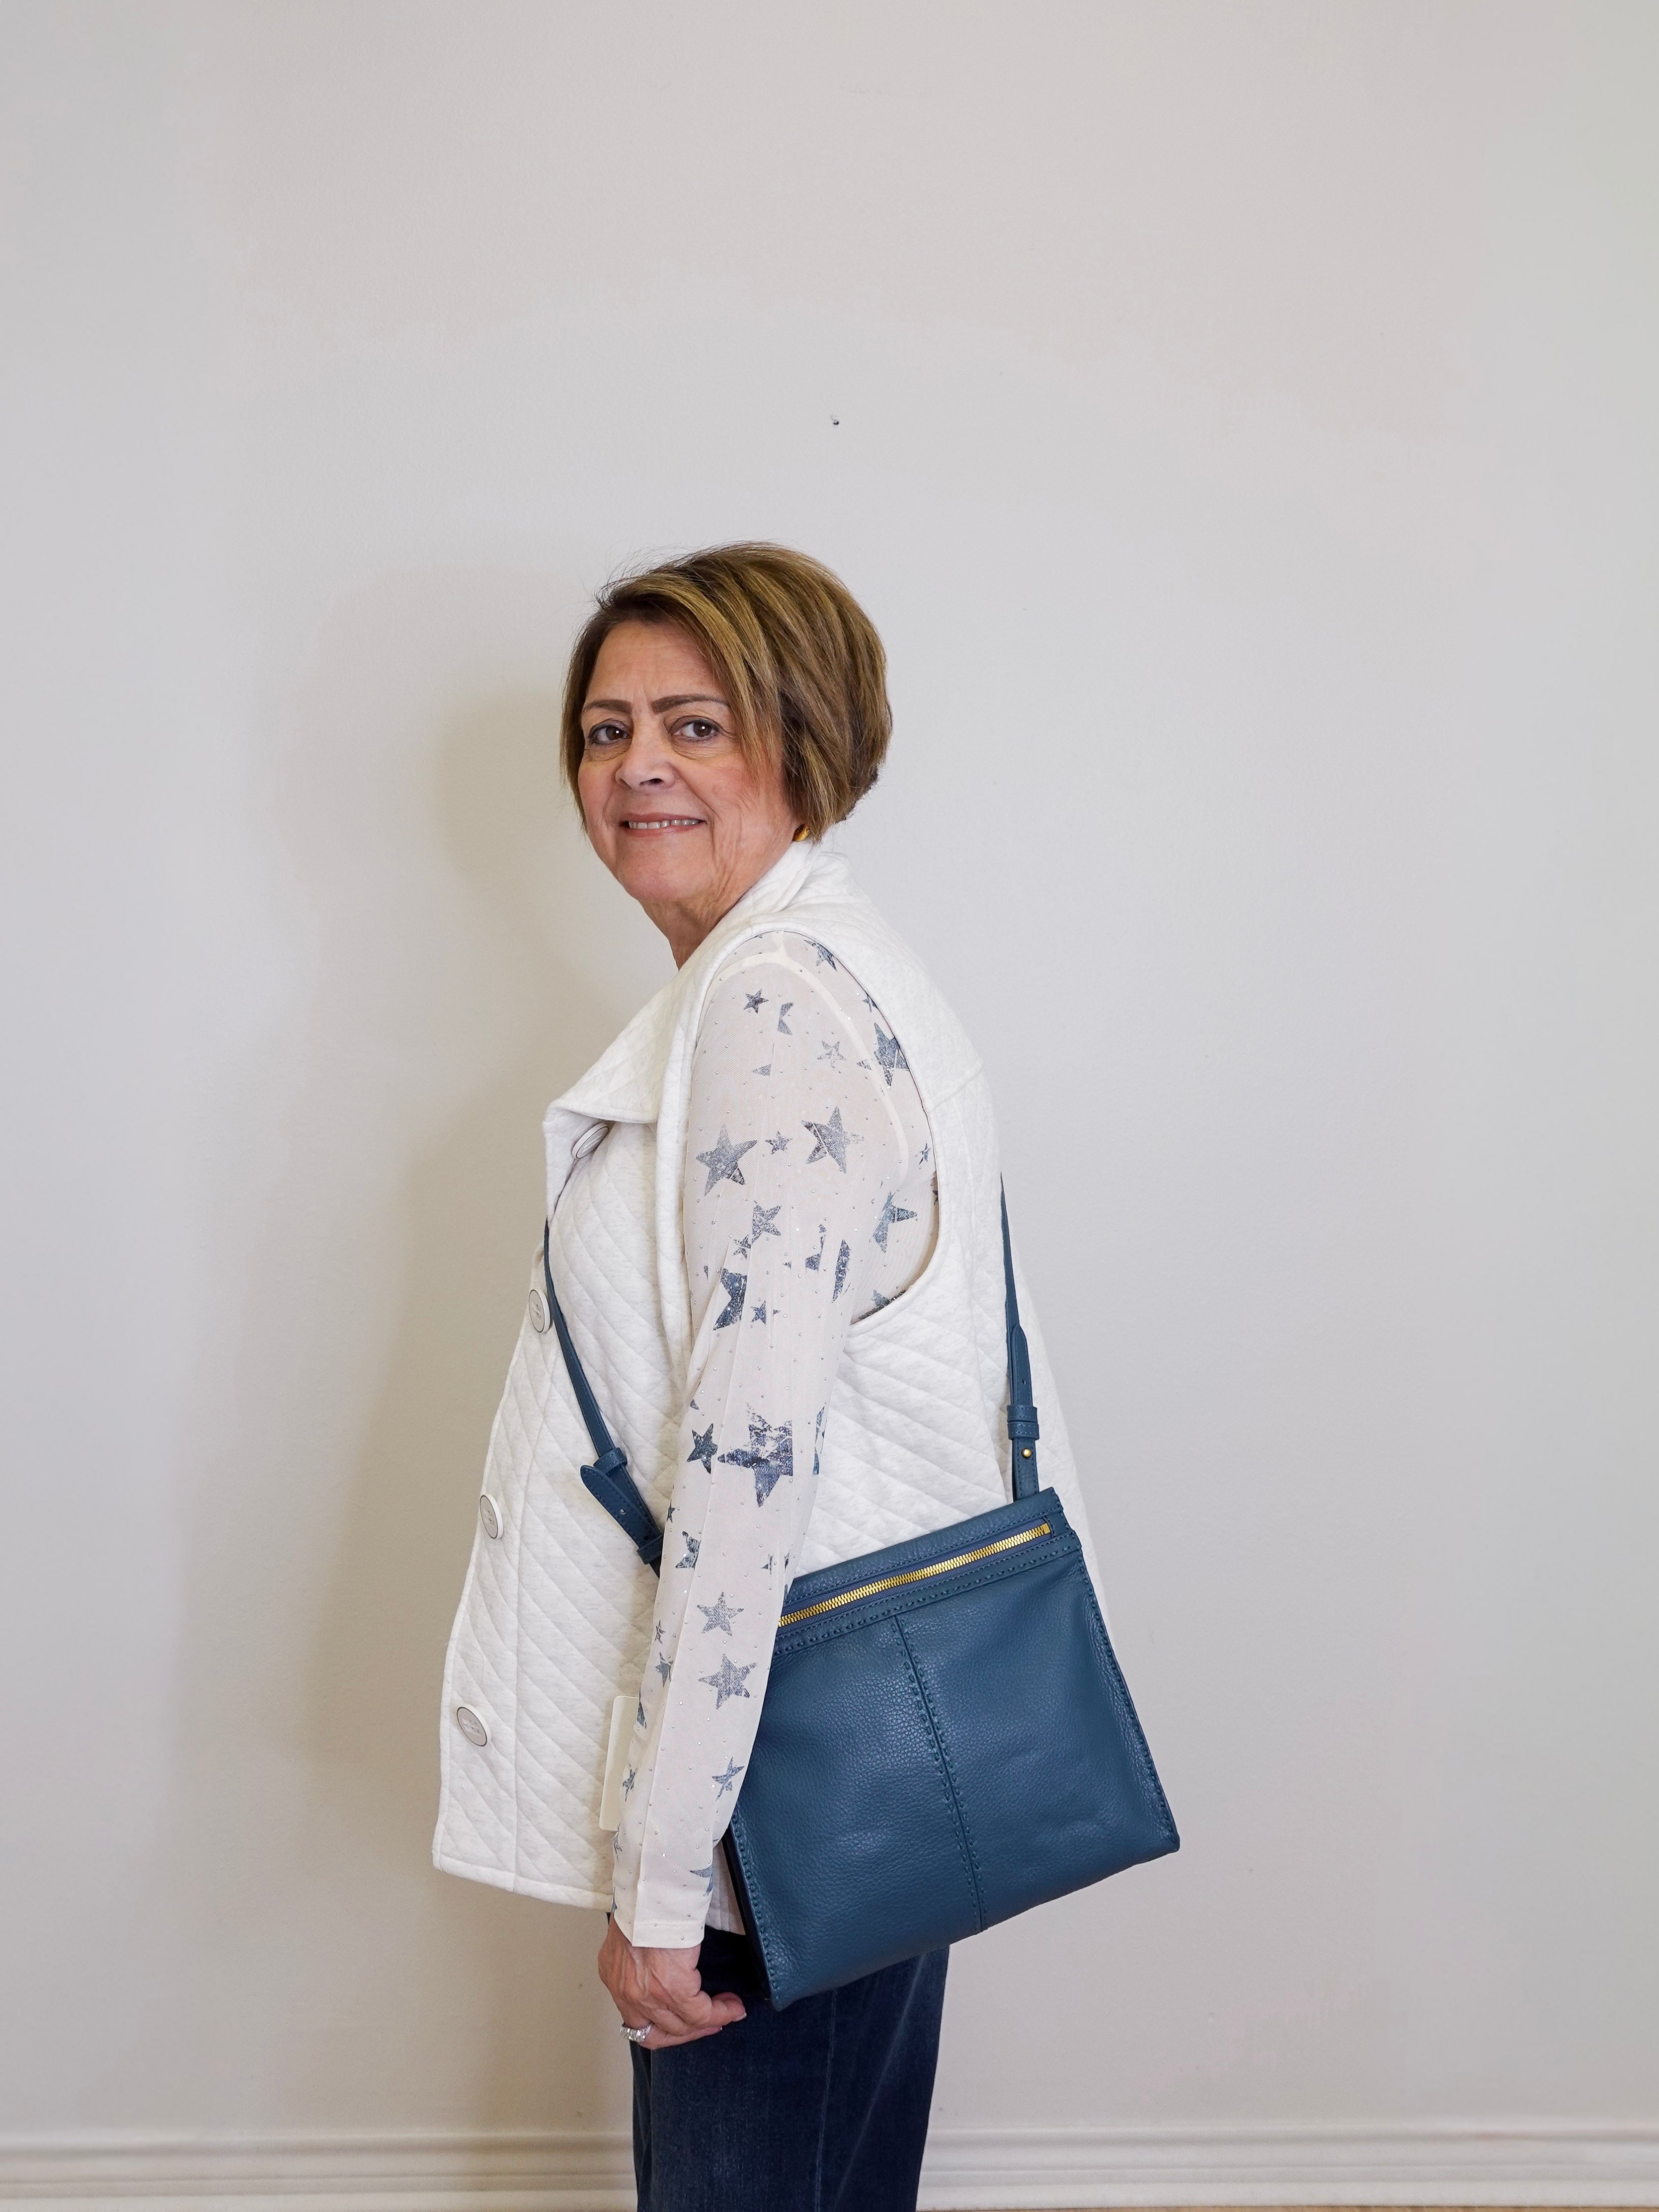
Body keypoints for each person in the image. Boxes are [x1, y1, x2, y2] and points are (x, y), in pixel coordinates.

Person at [434, 544, 1101, 2212]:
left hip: (764, 1801)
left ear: (803, 742)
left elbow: (744, 1473)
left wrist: (665, 1879)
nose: (636, 765)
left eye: (694, 724)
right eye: (604, 731)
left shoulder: (770, 1008)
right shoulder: (828, 968)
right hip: (852, 1747)